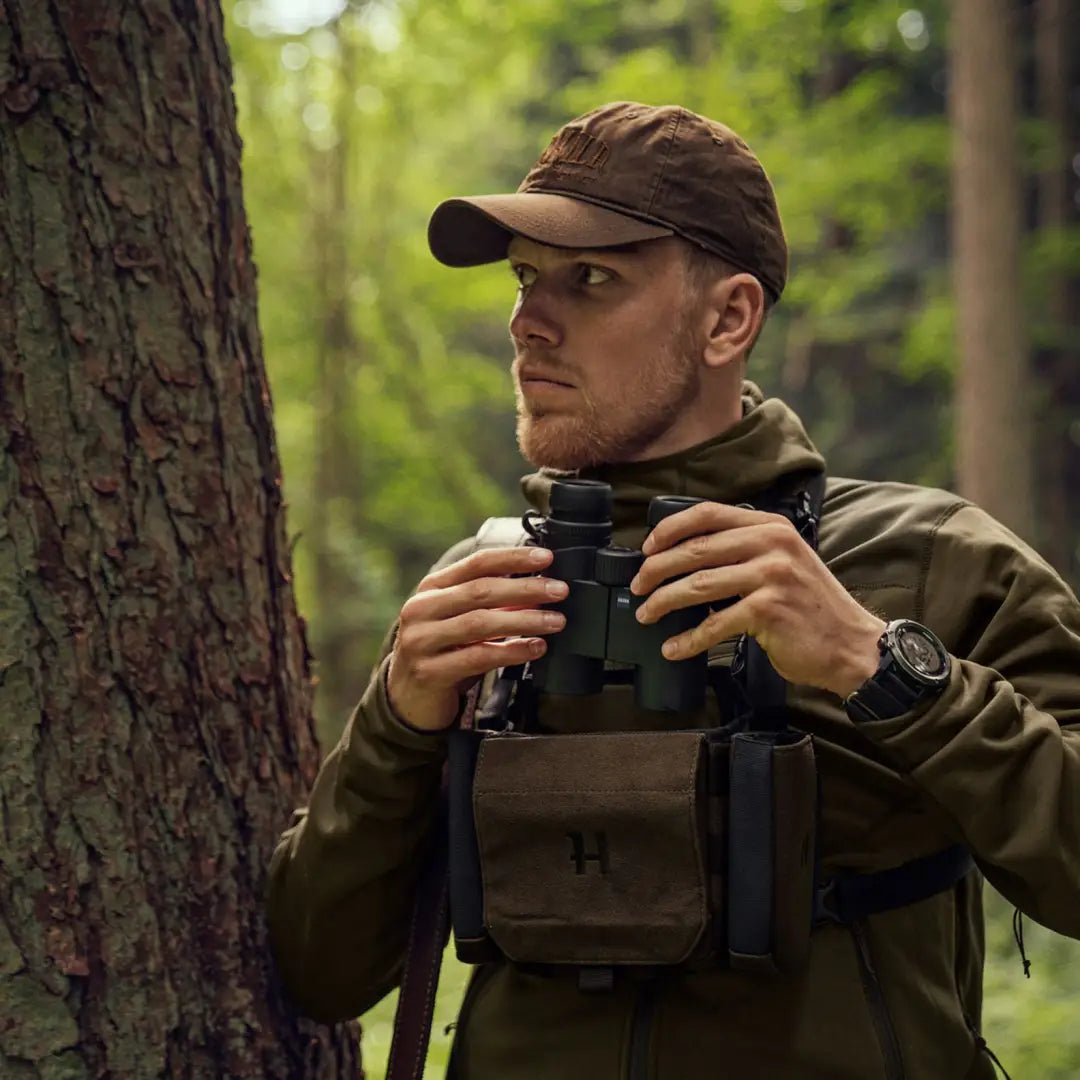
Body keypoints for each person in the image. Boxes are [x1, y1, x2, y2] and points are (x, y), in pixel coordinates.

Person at [266, 102, 1080, 1079]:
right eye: (525, 278)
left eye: (591, 278)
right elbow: (316, 971)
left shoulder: (931, 557)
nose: (527, 321)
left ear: (728, 317)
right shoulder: (479, 588)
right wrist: (399, 722)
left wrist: (882, 667)